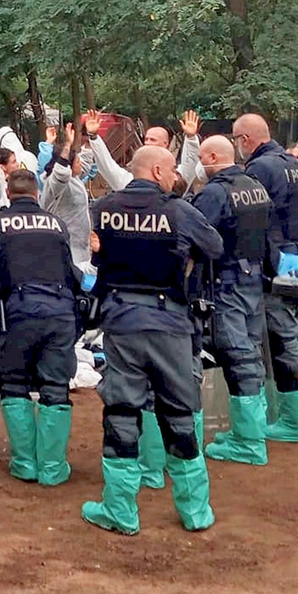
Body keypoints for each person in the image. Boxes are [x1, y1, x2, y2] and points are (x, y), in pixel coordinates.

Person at [82, 145, 222, 536]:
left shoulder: (103, 207)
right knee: (179, 410)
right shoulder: (177, 210)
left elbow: (91, 252)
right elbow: (214, 247)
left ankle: (120, 511)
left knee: (123, 410)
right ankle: (195, 511)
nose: (176, 175)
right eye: (173, 168)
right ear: (157, 170)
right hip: (171, 323)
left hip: (122, 321)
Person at [0, 169, 81, 486]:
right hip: (61, 312)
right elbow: (69, 269)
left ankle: (25, 464)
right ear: (37, 193)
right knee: (56, 386)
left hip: (19, 311)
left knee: (14, 382)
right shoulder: (56, 223)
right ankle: (52, 468)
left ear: (9, 192)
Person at [232, 112, 298, 443]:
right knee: (287, 334)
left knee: (282, 338)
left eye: (236, 139)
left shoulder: (260, 169)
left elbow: (254, 219)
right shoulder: (291, 164)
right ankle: (286, 411)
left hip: (278, 261)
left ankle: (296, 421)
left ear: (246, 140)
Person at [190, 135, 273, 466]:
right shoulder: (254, 185)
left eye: (201, 157)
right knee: (251, 350)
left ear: (211, 156)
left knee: (238, 355)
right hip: (254, 279)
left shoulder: (215, 192)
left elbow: (197, 235)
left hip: (227, 283)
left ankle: (249, 442)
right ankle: (251, 429)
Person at [39, 124, 95, 273]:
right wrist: (67, 145)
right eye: (77, 161)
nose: (80, 163)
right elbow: (61, 172)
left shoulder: (74, 178)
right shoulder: (56, 184)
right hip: (65, 248)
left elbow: (86, 162)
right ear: (68, 165)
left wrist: (91, 136)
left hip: (81, 247)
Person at [82, 112, 173, 192]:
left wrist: (188, 139)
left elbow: (186, 171)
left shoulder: (174, 179)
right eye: (146, 139)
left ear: (165, 143)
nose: (148, 143)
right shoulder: (129, 182)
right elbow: (107, 166)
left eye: (153, 140)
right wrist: (94, 137)